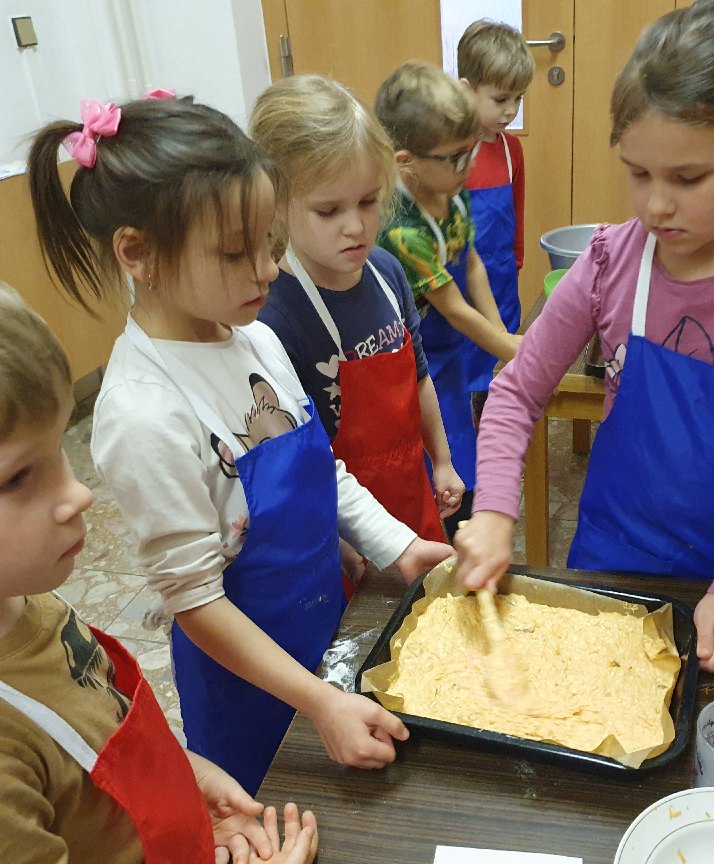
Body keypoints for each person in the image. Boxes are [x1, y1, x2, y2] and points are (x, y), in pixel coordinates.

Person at [27, 94, 453, 795]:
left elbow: (324, 470)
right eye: (237, 252)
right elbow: (197, 602)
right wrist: (315, 703)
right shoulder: (144, 413)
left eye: (269, 243)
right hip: (247, 688)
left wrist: (397, 545)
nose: (270, 270)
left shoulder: (254, 339)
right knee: (277, 813)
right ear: (138, 253)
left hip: (324, 633)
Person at [454, 0, 714, 673]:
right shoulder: (612, 262)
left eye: (688, 178)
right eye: (638, 173)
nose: (655, 204)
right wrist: (494, 511)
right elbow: (517, 393)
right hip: (618, 557)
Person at [0, 283, 317, 864]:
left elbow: (100, 737)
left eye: (57, 452)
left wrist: (183, 777)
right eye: (17, 479)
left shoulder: (29, 606)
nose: (77, 495)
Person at [250, 75, 462, 570]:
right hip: (343, 530)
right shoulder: (276, 315)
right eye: (329, 210)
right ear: (276, 207)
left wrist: (444, 460)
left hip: (413, 496)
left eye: (368, 202)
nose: (357, 225)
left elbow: (421, 378)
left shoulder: (388, 273)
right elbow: (297, 464)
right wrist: (344, 544)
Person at [375, 61, 522, 536]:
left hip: (451, 357)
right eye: (455, 157)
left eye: (470, 151)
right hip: (416, 365)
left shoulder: (452, 195)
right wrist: (518, 352)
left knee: (463, 451)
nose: (470, 166)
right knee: (435, 467)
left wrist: (502, 337)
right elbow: (453, 306)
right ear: (406, 162)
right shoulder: (401, 230)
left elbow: (473, 263)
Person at [458, 19, 535, 425]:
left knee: (497, 369)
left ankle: (494, 438)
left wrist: (518, 260)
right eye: (501, 98)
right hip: (460, 284)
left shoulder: (512, 151)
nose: (511, 110)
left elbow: (517, 212)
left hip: (502, 279)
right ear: (468, 90)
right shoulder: (451, 153)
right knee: (463, 371)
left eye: (518, 99)